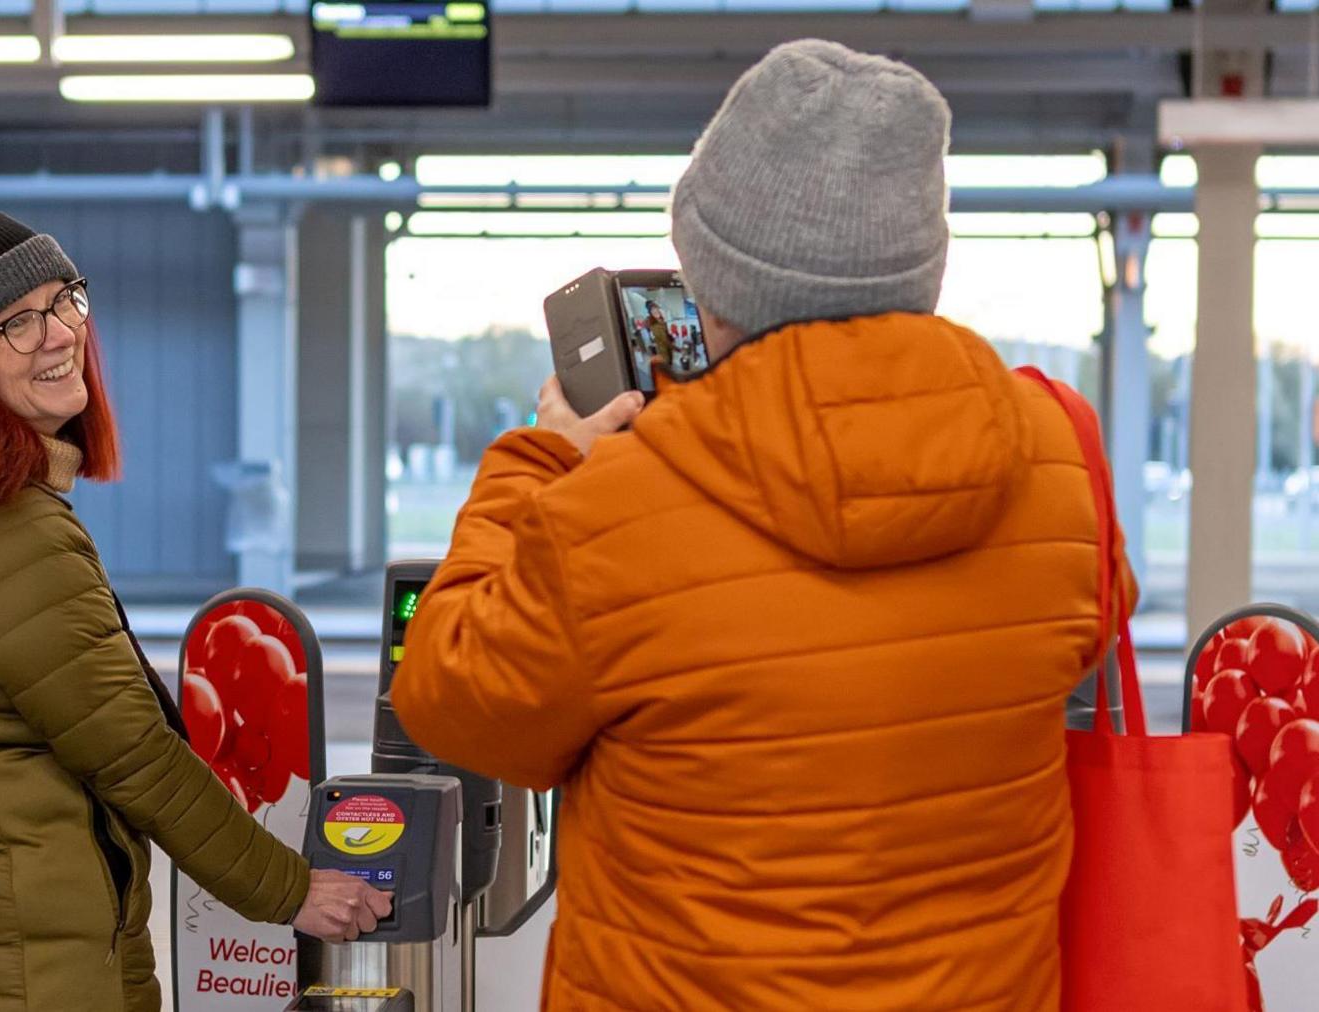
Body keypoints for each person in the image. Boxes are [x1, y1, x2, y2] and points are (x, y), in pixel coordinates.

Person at [389, 41, 1133, 1010]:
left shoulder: (619, 502)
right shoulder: (1058, 458)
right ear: (919, 265)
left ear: (711, 273)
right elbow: (1090, 618)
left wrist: (545, 457)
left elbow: (450, 699)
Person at [0, 202, 389, 1012]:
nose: (61, 334)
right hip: (35, 967)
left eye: (65, 299)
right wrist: (291, 890)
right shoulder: (0, 532)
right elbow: (132, 756)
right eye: (17, 323)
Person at [644, 300, 673, 364]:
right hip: (661, 344)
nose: (656, 310)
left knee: (669, 359)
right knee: (665, 360)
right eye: (653, 309)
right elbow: (651, 332)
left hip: (665, 342)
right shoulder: (649, 320)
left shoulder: (660, 318)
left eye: (656, 308)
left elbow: (665, 329)